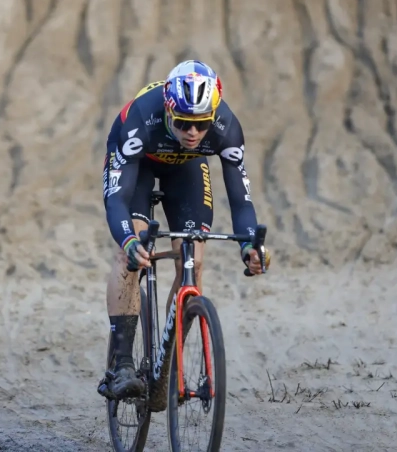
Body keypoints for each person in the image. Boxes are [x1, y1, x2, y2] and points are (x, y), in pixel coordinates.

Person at [98, 59, 272, 400]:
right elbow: (116, 200)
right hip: (139, 165)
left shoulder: (227, 128)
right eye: (182, 123)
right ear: (168, 111)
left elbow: (241, 201)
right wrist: (130, 241)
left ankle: (169, 360)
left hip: (187, 170)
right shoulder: (139, 120)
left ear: (213, 116)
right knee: (128, 252)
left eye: (201, 124)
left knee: (193, 257)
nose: (192, 132)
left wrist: (250, 246)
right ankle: (121, 366)